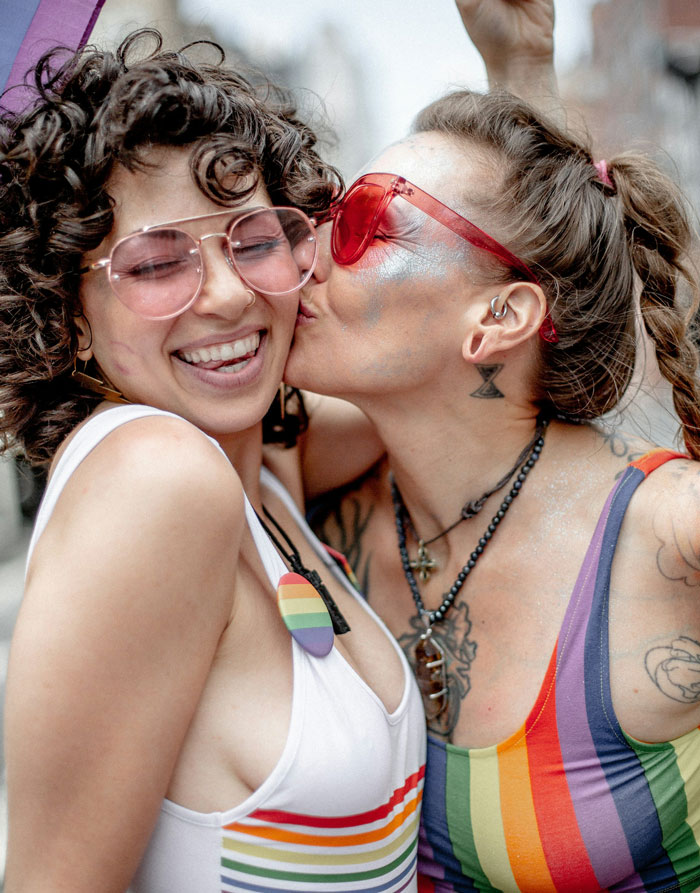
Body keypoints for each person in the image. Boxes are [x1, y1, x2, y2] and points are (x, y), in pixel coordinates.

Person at [0, 31, 427, 892]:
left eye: (255, 239)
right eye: (158, 263)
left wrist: (519, 72)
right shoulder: (160, 478)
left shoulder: (263, 463)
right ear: (70, 311)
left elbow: (427, 389)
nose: (229, 294)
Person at [288, 54, 700, 893]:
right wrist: (519, 68)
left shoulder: (667, 533)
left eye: (366, 218)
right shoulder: (313, 496)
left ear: (502, 316)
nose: (308, 251)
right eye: (321, 214)